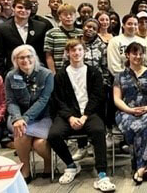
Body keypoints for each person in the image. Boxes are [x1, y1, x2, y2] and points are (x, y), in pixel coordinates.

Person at [47, 40, 116, 191]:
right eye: (73, 50)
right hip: (68, 115)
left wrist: (85, 116)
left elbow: (97, 97)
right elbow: (58, 100)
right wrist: (70, 117)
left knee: (98, 131)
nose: (76, 53)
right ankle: (71, 165)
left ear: (84, 51)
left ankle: (102, 173)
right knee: (54, 135)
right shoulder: (60, 75)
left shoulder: (94, 72)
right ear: (67, 53)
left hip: (89, 113)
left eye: (79, 49)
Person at [113, 42, 147, 184]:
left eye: (140, 53)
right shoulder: (120, 76)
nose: (137, 56)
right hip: (126, 112)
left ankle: (139, 167)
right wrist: (129, 110)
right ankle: (144, 166)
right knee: (137, 127)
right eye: (134, 53)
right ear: (127, 55)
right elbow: (117, 99)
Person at [5, 45, 53, 183]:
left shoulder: (46, 74)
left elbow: (44, 100)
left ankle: (48, 163)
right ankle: (25, 169)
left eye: (29, 56)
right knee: (21, 132)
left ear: (35, 57)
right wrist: (18, 118)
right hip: (18, 117)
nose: (25, 60)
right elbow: (11, 101)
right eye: (21, 57)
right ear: (15, 60)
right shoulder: (10, 76)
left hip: (43, 116)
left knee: (39, 144)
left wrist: (26, 118)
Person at [0, 0, 49, 77]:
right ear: (13, 8)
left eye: (27, 8)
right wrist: (2, 75)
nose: (23, 10)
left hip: (37, 72)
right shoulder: (2, 28)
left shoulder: (41, 27)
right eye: (20, 7)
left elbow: (44, 53)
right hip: (13, 73)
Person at [44, 3, 83, 73]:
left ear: (75, 16)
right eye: (65, 15)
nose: (68, 17)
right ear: (59, 17)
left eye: (71, 14)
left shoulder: (81, 33)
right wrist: (53, 74)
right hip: (60, 72)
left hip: (78, 71)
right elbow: (49, 56)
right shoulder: (51, 33)